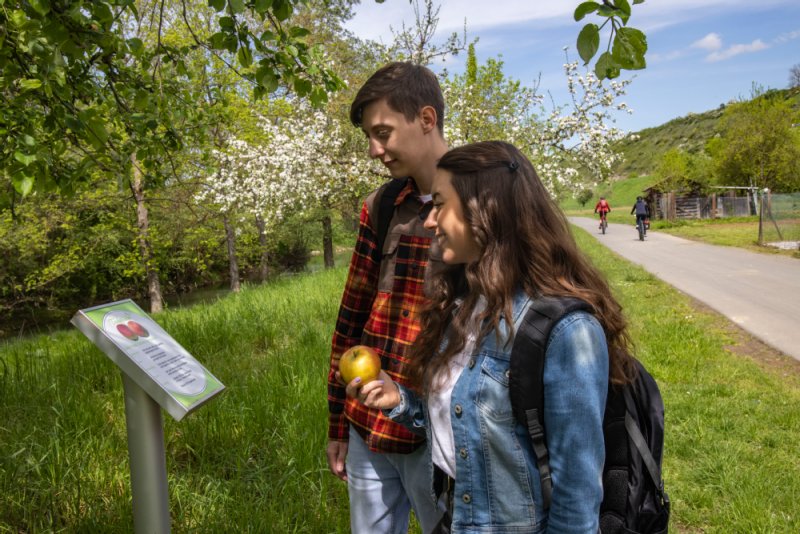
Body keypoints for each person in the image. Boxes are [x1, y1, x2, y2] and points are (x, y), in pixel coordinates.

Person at [347, 141, 638, 533]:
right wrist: (400, 401)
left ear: (486, 211)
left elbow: (577, 497)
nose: (429, 221)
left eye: (440, 205)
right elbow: (474, 431)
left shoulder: (566, 331)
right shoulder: (462, 304)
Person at [326, 62, 447, 534]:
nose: (375, 151)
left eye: (383, 133)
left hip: (439, 434)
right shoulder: (380, 206)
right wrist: (339, 420)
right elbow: (351, 317)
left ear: (426, 118)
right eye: (368, 138)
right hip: (368, 425)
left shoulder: (482, 200)